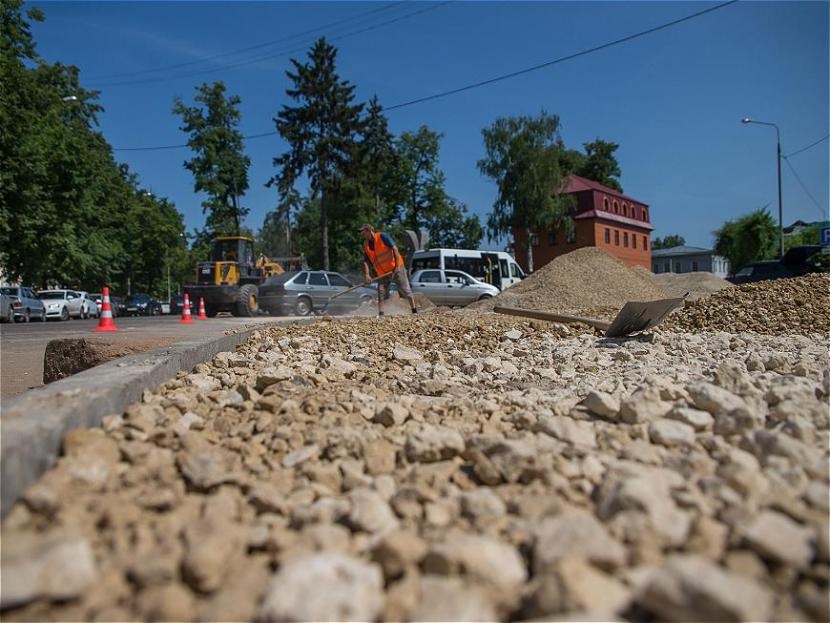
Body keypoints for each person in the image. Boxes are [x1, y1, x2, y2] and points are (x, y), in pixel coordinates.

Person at [360, 224, 417, 317]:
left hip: (396, 267)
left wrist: (397, 266)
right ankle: (381, 314)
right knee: (381, 291)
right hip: (383, 272)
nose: (362, 235)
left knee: (406, 290)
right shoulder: (366, 245)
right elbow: (366, 261)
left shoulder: (382, 236)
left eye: (363, 232)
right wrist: (367, 274)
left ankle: (414, 311)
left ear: (369, 231)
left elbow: (394, 249)